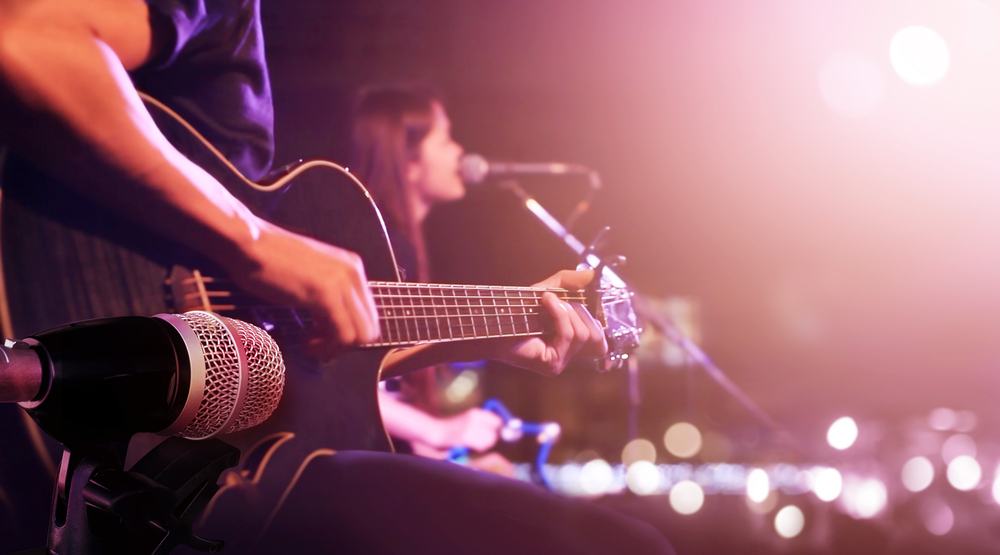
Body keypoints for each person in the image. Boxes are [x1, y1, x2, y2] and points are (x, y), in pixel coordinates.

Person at [0, 2, 672, 553]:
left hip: (162, 478)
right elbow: (29, 41)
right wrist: (258, 243)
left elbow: (303, 344)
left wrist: (498, 329)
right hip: (122, 404)